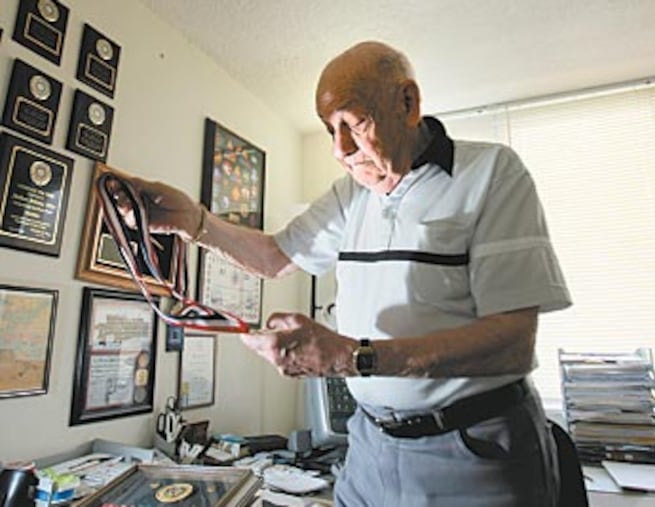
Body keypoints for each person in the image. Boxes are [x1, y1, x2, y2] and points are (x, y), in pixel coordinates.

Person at [120, 41, 571, 506]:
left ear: (407, 103)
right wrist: (194, 221)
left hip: (472, 450)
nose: (340, 149)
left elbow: (514, 343)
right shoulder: (349, 195)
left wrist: (352, 358)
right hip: (369, 446)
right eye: (328, 129)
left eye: (354, 123)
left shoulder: (493, 172)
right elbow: (275, 256)